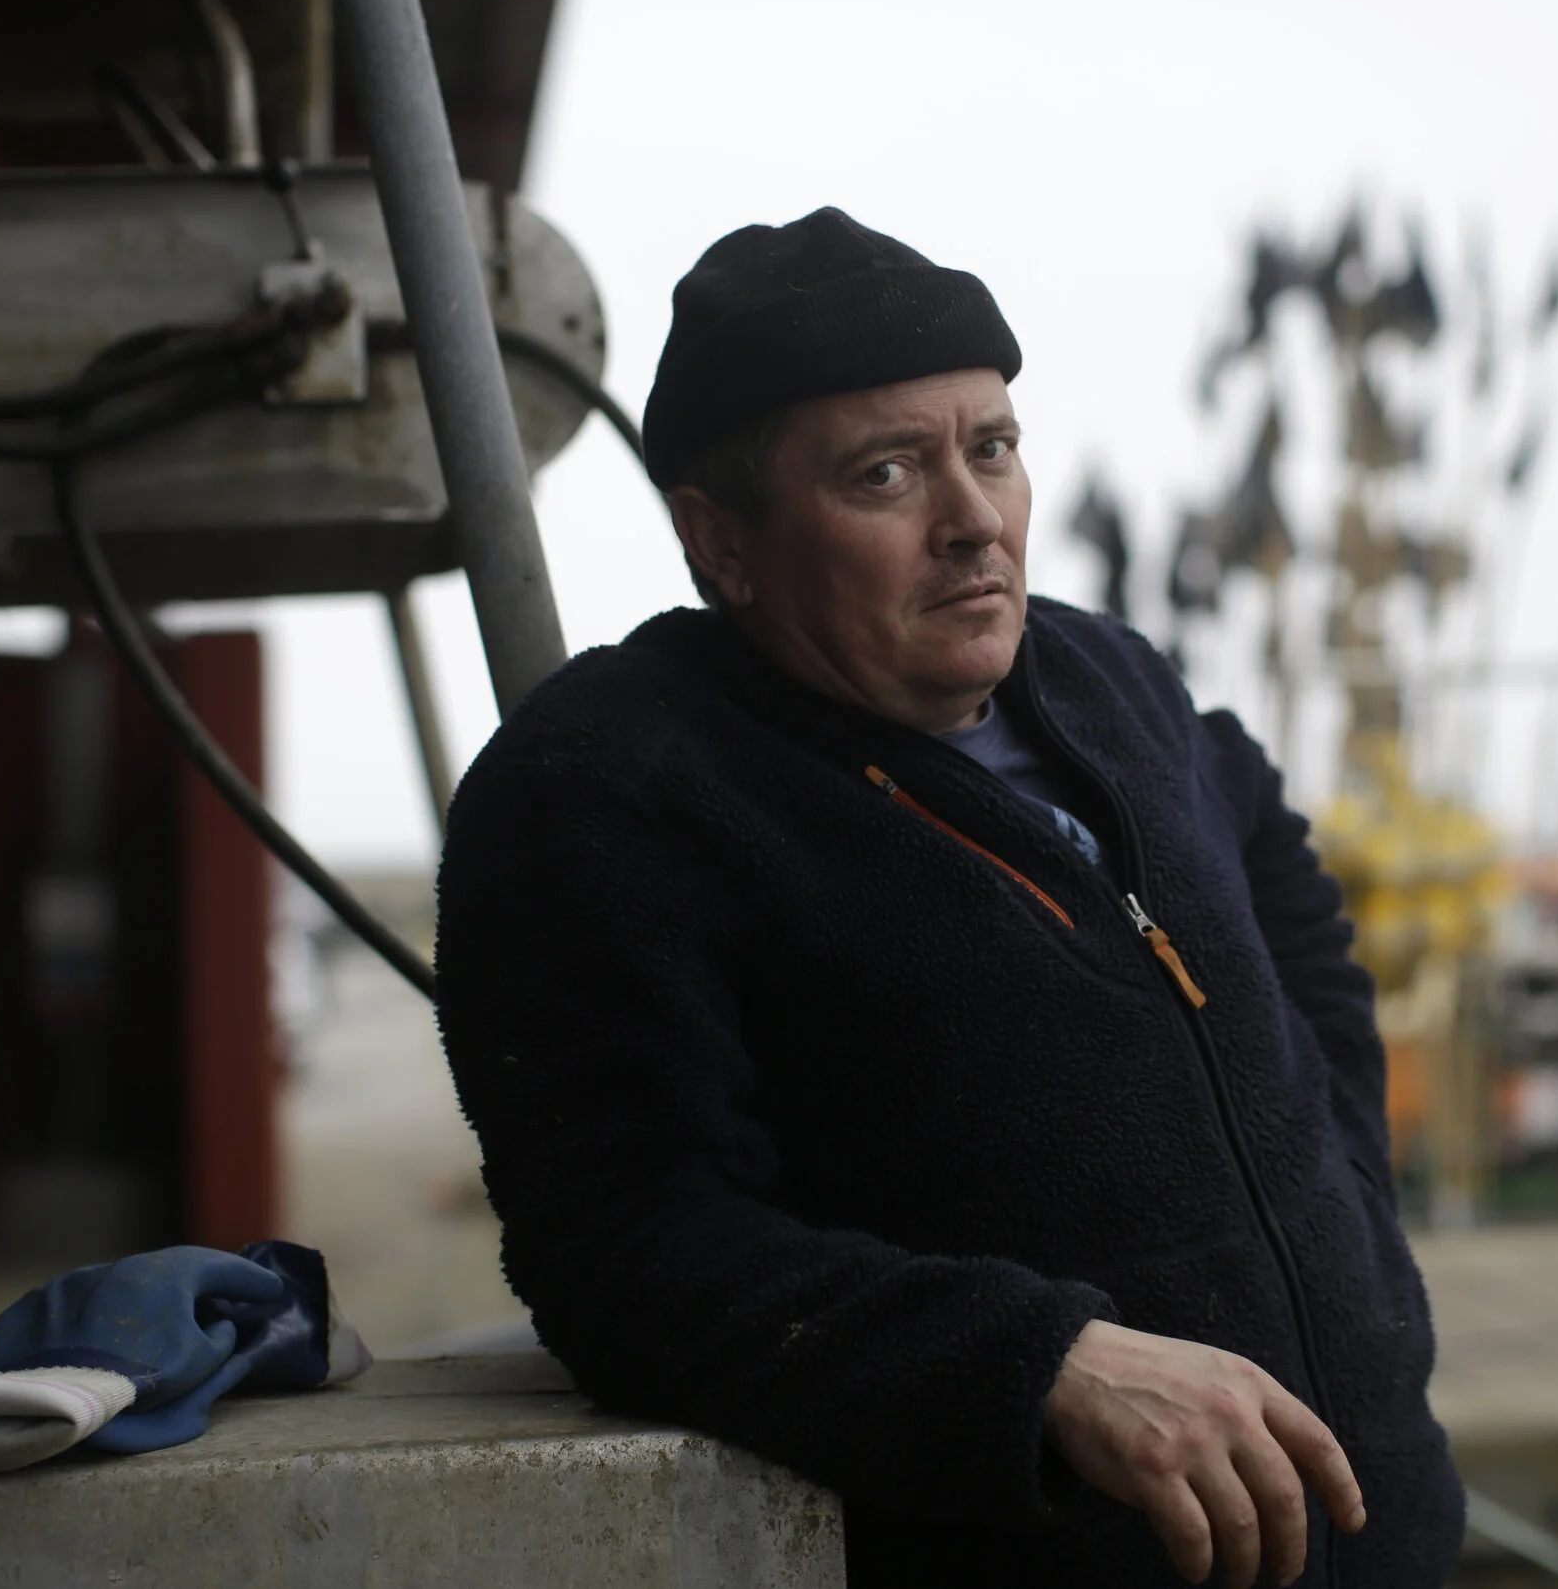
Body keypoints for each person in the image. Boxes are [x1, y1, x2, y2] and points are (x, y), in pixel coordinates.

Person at [436, 207, 1462, 1588]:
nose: (973, 520)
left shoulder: (1119, 684)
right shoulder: (610, 789)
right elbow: (624, 1247)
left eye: (992, 448)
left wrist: (1350, 1220)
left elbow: (1300, 926)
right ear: (721, 542)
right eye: (885, 474)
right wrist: (1041, 1365)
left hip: (1381, 1538)